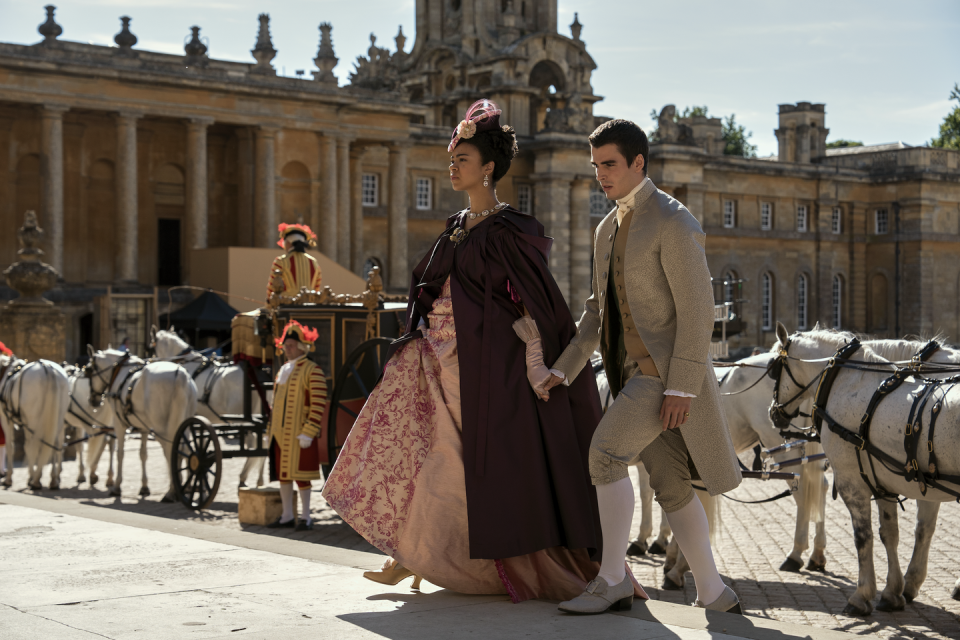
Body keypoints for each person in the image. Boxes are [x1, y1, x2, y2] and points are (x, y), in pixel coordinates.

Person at [322, 99, 644, 604]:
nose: (452, 169)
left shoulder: (509, 230)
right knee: (427, 450)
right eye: (450, 161)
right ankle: (414, 552)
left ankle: (430, 556)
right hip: (440, 360)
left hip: (488, 371)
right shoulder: (456, 226)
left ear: (488, 168)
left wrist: (539, 361)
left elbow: (538, 307)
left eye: (462, 161)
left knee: (454, 462)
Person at [546, 119, 743, 614]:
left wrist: (681, 388)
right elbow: (596, 311)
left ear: (638, 162)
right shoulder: (605, 228)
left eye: (609, 164)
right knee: (670, 482)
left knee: (605, 454)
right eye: (595, 166)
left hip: (662, 378)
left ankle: (612, 579)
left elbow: (698, 313)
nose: (600, 175)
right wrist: (563, 369)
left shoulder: (675, 221)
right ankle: (716, 592)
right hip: (629, 375)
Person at [266, 320, 327, 531]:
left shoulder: (312, 370)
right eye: (285, 345)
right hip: (279, 434)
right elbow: (275, 405)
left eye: (291, 345)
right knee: (284, 476)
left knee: (302, 477)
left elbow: (318, 403)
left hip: (300, 434)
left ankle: (306, 517)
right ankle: (286, 516)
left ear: (302, 347)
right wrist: (269, 431)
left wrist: (308, 432)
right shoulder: (282, 370)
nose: (287, 349)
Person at [267, 223, 322, 301]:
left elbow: (272, 288)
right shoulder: (314, 263)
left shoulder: (280, 261)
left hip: (286, 308)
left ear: (288, 243)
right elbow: (317, 290)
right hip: (310, 307)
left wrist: (269, 304)